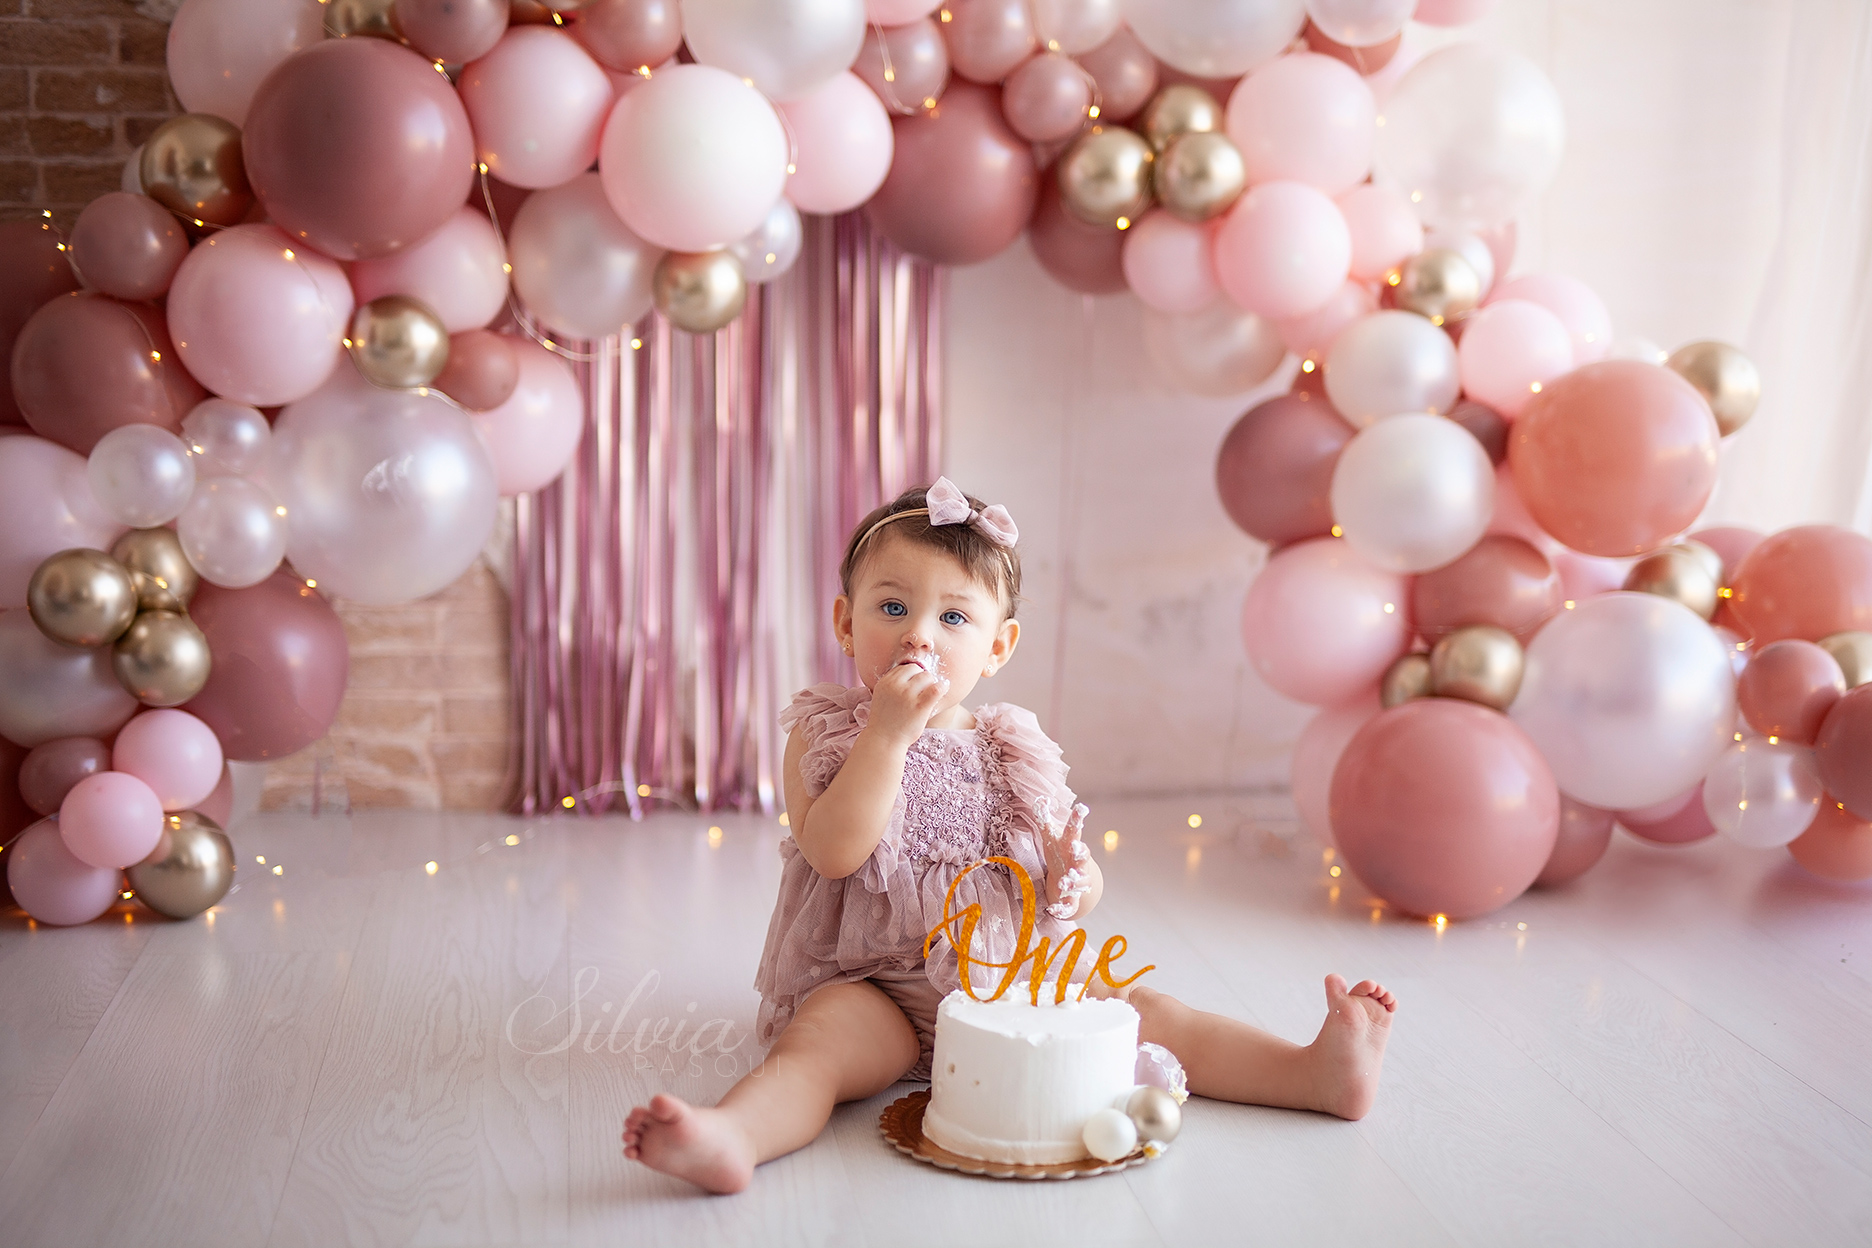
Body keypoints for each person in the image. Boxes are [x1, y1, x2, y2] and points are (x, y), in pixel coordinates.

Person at [623, 478, 1398, 1193]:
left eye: (953, 617)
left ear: (998, 647)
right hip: (875, 990)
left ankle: (1313, 1075)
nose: (918, 636)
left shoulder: (1010, 746)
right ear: (844, 620)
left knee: (1150, 1012)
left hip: (1012, 982)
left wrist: (1072, 876)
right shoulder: (828, 732)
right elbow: (833, 851)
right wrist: (887, 737)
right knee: (815, 1050)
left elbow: (1073, 886)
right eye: (892, 608)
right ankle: (733, 1136)